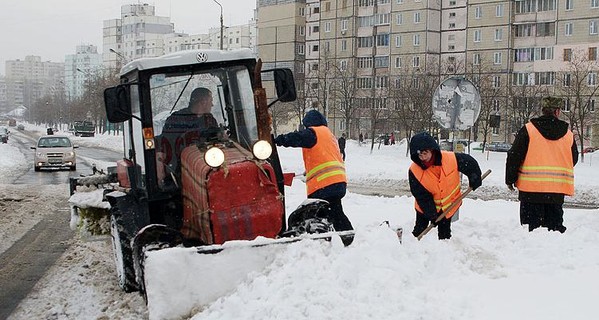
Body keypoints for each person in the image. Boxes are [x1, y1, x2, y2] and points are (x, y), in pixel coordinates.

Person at [274, 110, 354, 244]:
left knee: (317, 214)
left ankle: (324, 241)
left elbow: (295, 138)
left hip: (324, 184)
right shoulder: (329, 135)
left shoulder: (313, 133)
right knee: (335, 211)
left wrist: (277, 140)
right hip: (338, 181)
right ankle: (346, 237)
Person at [505, 96, 578, 233]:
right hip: (556, 193)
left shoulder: (528, 130)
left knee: (531, 233)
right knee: (554, 233)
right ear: (557, 112)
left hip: (530, 193)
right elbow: (573, 159)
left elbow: (514, 156)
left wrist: (510, 179)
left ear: (543, 110)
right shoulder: (568, 135)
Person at [408, 132, 482, 240]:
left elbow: (469, 163)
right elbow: (422, 196)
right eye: (420, 155)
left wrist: (475, 177)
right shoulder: (414, 171)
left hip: (448, 206)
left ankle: (445, 251)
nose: (423, 157)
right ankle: (411, 249)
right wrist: (432, 215)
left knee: (445, 233)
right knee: (420, 230)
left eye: (425, 153)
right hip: (424, 208)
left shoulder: (450, 159)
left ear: (432, 150)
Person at [157, 87, 218, 183]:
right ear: (203, 102)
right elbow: (165, 146)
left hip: (208, 165)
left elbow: (216, 140)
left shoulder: (210, 120)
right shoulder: (176, 120)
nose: (212, 104)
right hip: (181, 168)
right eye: (211, 101)